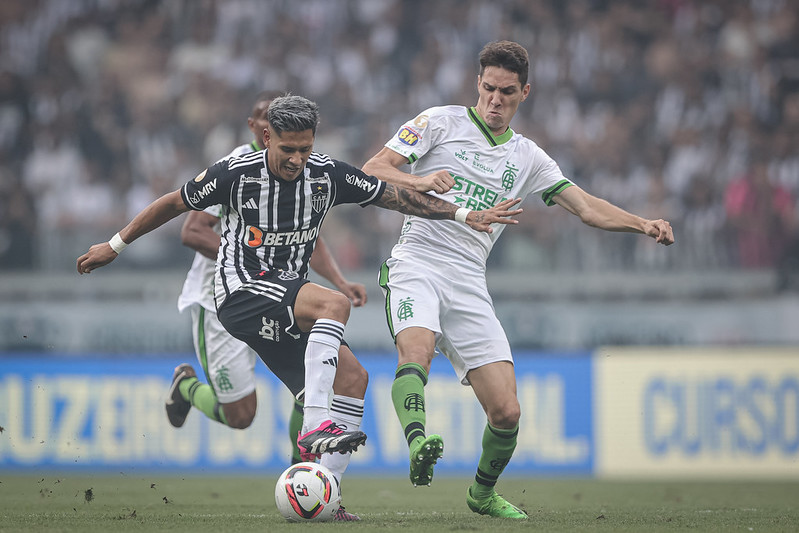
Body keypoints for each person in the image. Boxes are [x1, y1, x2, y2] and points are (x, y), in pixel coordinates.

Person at [77, 94, 522, 514]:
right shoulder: (236, 172)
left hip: (284, 297)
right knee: (332, 306)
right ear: (267, 136)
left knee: (353, 378)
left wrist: (464, 214)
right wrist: (114, 245)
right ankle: (313, 425)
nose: (297, 159)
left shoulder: (327, 175)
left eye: (305, 149)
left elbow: (394, 197)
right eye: (288, 149)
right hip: (240, 293)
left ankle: (329, 494)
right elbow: (174, 204)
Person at [362, 40, 674, 519]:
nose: (495, 100)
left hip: (469, 281)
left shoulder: (529, 158)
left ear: (524, 93)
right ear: (477, 84)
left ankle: (482, 494)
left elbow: (586, 207)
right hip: (418, 262)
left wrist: (643, 223)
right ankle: (418, 443)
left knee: (507, 412)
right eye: (488, 88)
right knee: (416, 351)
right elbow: (374, 169)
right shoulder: (437, 122)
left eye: (507, 92)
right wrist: (420, 180)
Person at [174, 91, 369, 484]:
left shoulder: (300, 168)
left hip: (277, 292)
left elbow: (303, 239)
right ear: (258, 129)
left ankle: (305, 469)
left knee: (318, 378)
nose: (271, 127)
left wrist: (340, 281)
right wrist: (255, 257)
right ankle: (187, 388)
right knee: (241, 415)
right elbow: (193, 230)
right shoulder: (235, 171)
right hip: (222, 299)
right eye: (264, 121)